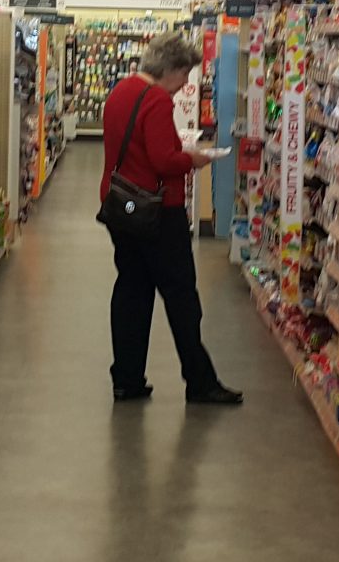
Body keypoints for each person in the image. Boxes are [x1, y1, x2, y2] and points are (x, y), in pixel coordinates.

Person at [98, 31, 241, 406]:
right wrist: (194, 159)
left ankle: (126, 378)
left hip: (122, 207)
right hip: (158, 212)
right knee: (181, 298)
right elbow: (164, 161)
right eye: (184, 75)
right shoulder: (156, 100)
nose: (183, 86)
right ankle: (200, 382)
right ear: (172, 68)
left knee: (132, 291)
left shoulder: (121, 91)